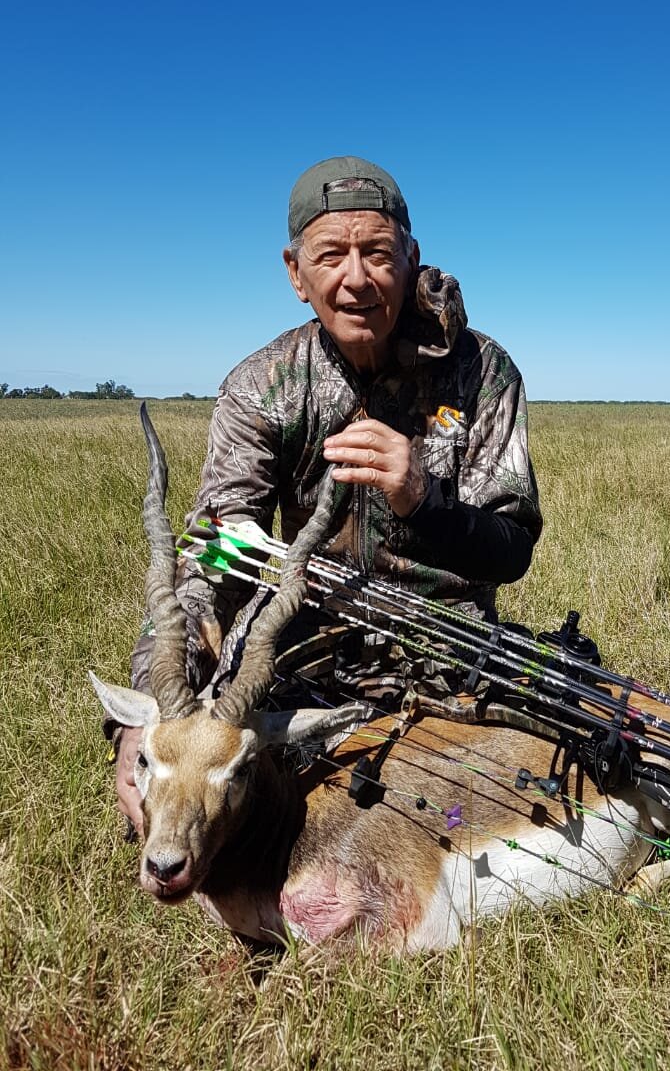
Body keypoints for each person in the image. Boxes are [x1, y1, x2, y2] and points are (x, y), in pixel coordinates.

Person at [114, 156, 542, 832]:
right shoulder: (263, 386)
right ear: (295, 273)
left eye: (376, 252)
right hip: (303, 659)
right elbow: (211, 559)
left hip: (452, 656)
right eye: (330, 255)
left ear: (410, 257)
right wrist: (150, 719)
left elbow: (512, 548)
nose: (355, 279)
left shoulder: (483, 372)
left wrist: (422, 497)